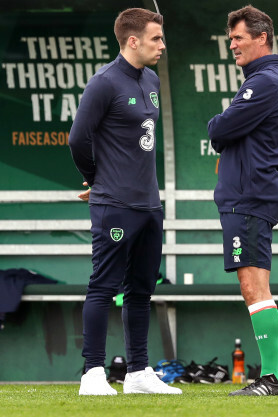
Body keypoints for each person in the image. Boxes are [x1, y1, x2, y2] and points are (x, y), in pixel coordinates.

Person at [69, 8, 180, 395]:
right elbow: (77, 138)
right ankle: (92, 373)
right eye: (156, 39)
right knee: (104, 286)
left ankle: (137, 373)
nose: (162, 45)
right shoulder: (103, 82)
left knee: (141, 290)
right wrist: (98, 180)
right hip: (113, 204)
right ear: (132, 40)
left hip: (150, 205)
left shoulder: (150, 79)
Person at [207, 5, 278, 396]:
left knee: (255, 287)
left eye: (238, 38)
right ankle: (272, 376)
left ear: (262, 38)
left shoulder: (267, 80)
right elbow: (228, 132)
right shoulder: (257, 78)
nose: (233, 45)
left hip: (251, 196)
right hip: (245, 196)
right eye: (231, 40)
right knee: (251, 286)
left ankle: (271, 377)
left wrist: (219, 129)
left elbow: (221, 127)